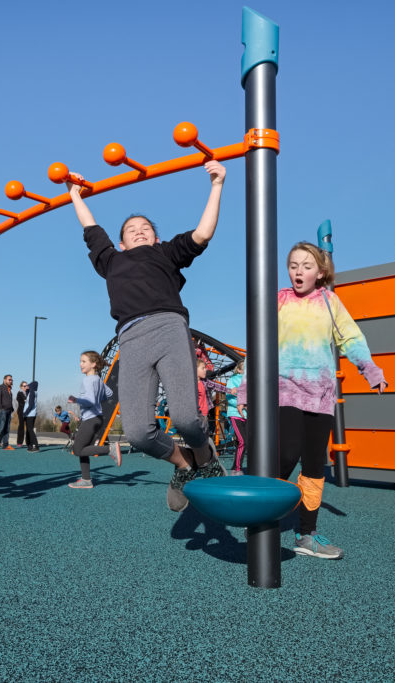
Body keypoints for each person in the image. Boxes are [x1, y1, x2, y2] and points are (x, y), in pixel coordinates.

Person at [66, 160, 227, 512]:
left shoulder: (165, 253)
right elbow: (90, 227)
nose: (138, 231)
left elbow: (202, 234)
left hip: (168, 327)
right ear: (121, 243)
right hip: (131, 338)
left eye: (145, 228)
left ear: (155, 237)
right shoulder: (110, 260)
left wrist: (217, 185)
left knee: (186, 418)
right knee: (139, 434)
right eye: (131, 229)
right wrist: (74, 194)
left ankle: (206, 455)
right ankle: (185, 465)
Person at [279, 242, 387, 559]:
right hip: (285, 390)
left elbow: (350, 337)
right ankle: (263, 516)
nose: (299, 271)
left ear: (321, 272)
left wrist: (370, 368)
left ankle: (306, 534)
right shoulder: (280, 301)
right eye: (293, 265)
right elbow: (260, 344)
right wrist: (246, 386)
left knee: (315, 465)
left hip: (321, 395)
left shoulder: (329, 301)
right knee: (285, 454)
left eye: (306, 265)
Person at [66, 350, 118, 489]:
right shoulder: (98, 380)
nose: (80, 364)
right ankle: (86, 479)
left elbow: (89, 400)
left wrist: (76, 399)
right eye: (80, 361)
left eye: (84, 361)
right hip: (97, 419)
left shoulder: (88, 380)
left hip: (90, 419)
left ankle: (110, 449)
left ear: (94, 364)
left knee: (78, 450)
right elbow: (109, 393)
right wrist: (97, 398)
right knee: (84, 448)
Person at [225, 359, 247, 475]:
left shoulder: (250, 379)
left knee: (245, 442)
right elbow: (229, 397)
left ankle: (237, 466)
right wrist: (242, 405)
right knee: (242, 440)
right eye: (244, 368)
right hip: (235, 414)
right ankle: (237, 468)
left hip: (248, 416)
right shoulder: (233, 380)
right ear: (238, 369)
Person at [22, 380, 39, 452]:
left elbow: (31, 405)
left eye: (29, 386)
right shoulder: (31, 392)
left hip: (30, 415)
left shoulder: (32, 393)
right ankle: (30, 445)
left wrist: (25, 413)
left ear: (32, 386)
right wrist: (27, 391)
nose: (27, 387)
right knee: (29, 430)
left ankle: (35, 446)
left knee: (30, 430)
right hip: (30, 414)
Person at [15, 381, 28, 447]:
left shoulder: (28, 393)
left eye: (26, 386)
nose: (26, 387)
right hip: (21, 412)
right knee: (21, 426)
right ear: (21, 387)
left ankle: (28, 442)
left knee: (29, 427)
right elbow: (20, 401)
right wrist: (25, 401)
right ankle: (19, 442)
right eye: (24, 386)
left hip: (28, 412)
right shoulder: (19, 393)